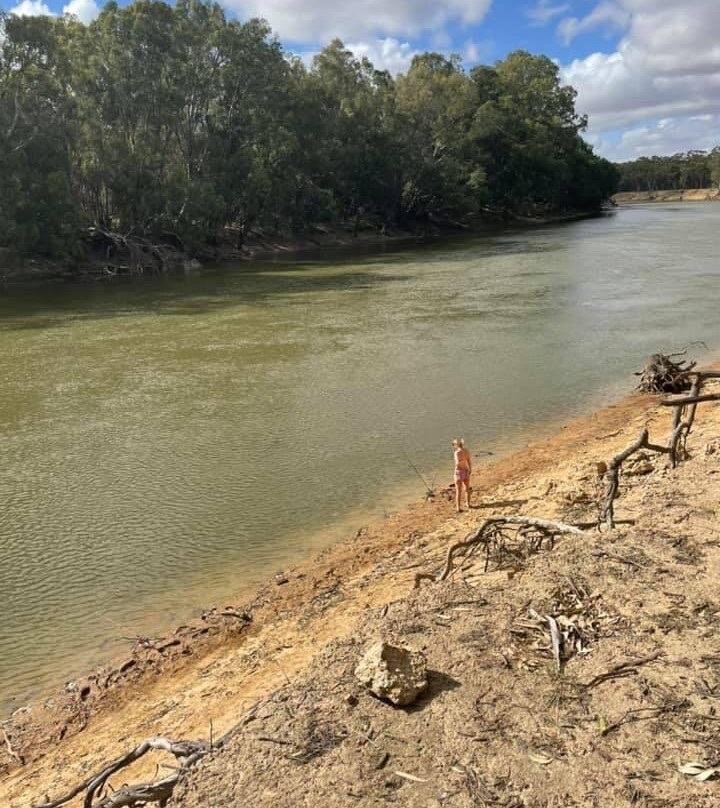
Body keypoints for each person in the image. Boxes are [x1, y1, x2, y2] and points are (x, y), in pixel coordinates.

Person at [452, 438, 472, 513]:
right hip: (466, 470)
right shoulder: (466, 451)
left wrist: (456, 470)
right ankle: (468, 504)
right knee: (467, 489)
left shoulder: (456, 453)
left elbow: (457, 463)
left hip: (459, 472)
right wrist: (470, 469)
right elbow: (469, 461)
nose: (453, 446)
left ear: (456, 445)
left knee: (458, 490)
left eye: (453, 445)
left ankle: (458, 507)